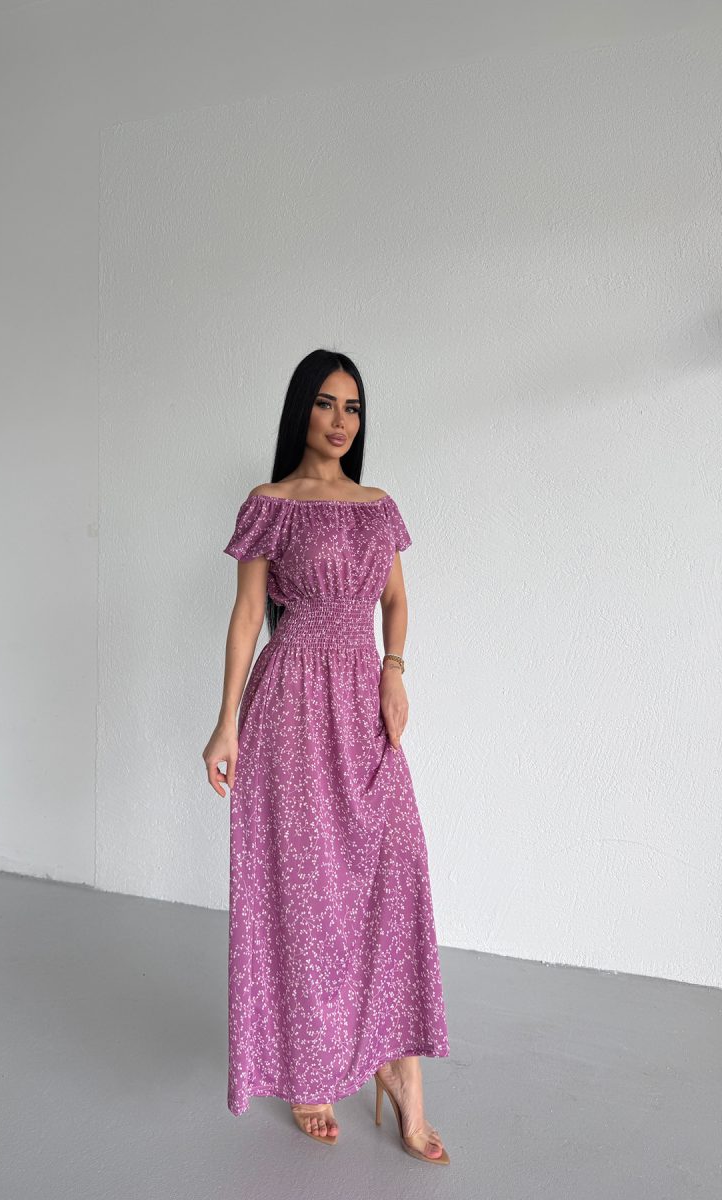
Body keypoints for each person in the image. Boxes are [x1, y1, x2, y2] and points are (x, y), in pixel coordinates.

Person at [202, 349, 451, 1164]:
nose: (341, 420)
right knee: (308, 896)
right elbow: (248, 617)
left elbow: (397, 600)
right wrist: (226, 723)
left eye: (352, 407)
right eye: (325, 404)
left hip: (361, 705)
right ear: (300, 411)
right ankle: (311, 1071)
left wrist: (394, 669)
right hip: (290, 710)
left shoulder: (378, 508)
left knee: (395, 870)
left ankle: (398, 1068)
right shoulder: (269, 504)